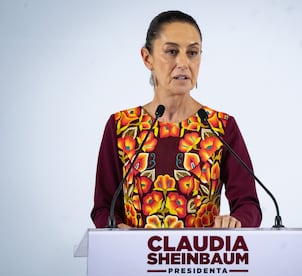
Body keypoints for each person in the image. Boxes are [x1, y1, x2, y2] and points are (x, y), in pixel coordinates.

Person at [91, 10, 262, 229]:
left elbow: (249, 205)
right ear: (147, 58)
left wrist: (235, 222)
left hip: (199, 260)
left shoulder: (220, 126)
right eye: (171, 51)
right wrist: (115, 227)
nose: (183, 62)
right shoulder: (121, 126)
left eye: (192, 53)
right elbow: (103, 208)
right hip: (134, 259)